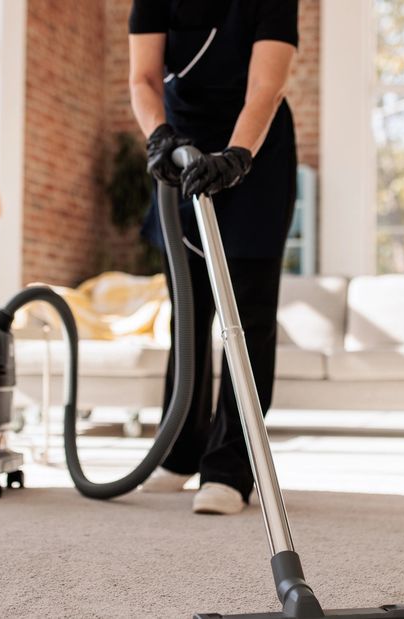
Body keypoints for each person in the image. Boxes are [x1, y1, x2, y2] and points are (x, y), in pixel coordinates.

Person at [128, 0, 299, 515]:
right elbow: (143, 78)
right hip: (180, 147)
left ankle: (229, 468)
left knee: (247, 319)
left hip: (255, 148)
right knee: (189, 314)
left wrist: (238, 156)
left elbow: (266, 88)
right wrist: (159, 136)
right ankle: (178, 454)